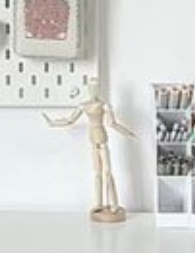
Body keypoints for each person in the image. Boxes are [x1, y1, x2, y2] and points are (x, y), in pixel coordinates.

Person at [44, 77, 134, 222]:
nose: (94, 90)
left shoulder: (104, 105)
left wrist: (127, 133)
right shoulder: (83, 105)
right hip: (92, 138)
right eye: (91, 87)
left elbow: (112, 123)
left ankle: (114, 204)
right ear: (88, 89)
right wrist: (53, 122)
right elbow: (70, 120)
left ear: (99, 89)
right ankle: (98, 203)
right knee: (97, 173)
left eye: (96, 87)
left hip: (102, 137)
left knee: (107, 172)